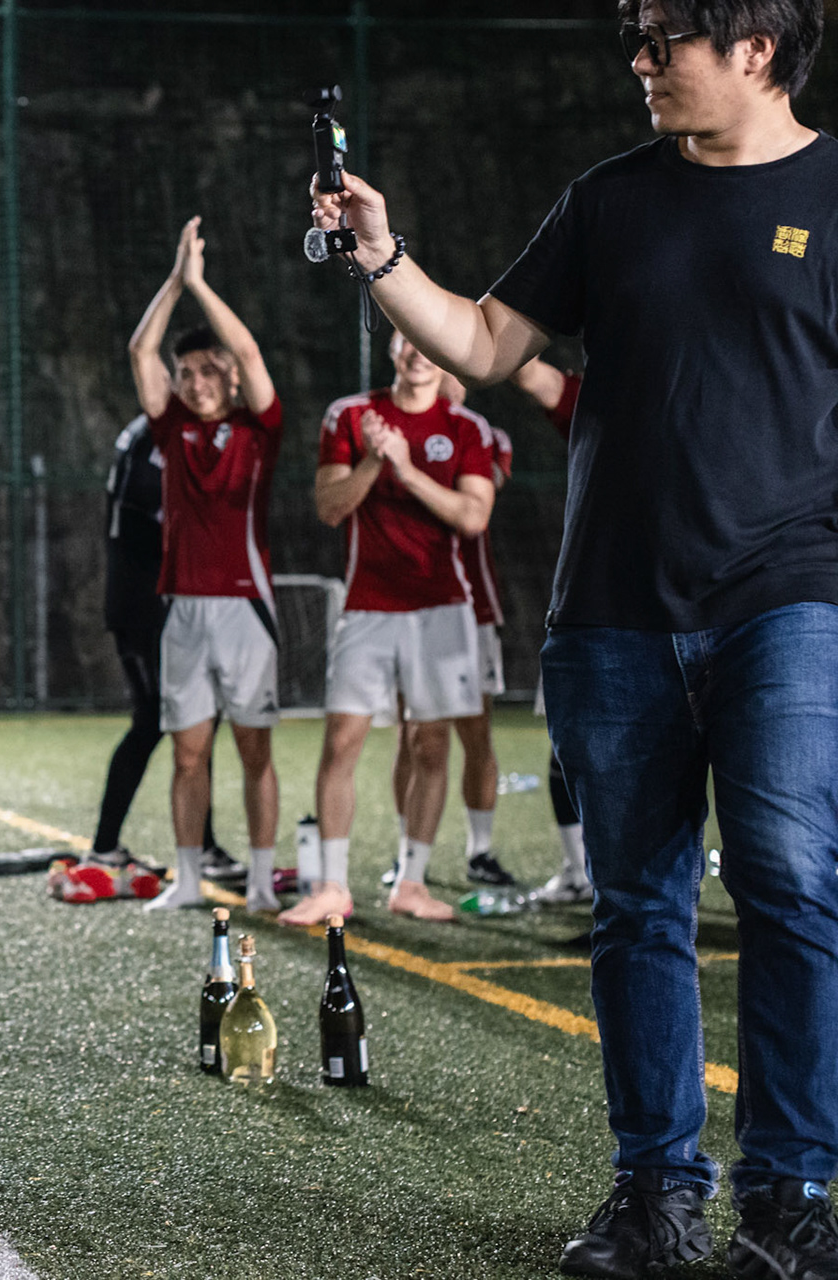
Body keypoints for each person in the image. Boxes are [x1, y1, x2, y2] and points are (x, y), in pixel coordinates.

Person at [311, 1, 838, 1272]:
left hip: (791, 594)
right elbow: (489, 342)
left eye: (667, 40)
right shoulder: (607, 198)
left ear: (756, 47)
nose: (641, 62)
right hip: (610, 610)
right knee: (636, 906)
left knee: (789, 873)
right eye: (638, 39)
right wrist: (383, 256)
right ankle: (656, 1195)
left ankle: (791, 1198)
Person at [279, 333, 495, 928]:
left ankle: (412, 882)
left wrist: (406, 467)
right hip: (367, 607)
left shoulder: (467, 428)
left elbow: (473, 516)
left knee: (430, 744)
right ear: (394, 348)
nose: (421, 352)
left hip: (441, 607)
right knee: (342, 742)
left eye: (432, 343)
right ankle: (331, 887)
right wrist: (376, 460)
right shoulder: (350, 416)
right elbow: (329, 506)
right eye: (409, 341)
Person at [123, 215, 281, 913]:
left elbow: (245, 348)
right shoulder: (173, 427)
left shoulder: (260, 428)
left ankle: (260, 882)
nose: (195, 380)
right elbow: (141, 349)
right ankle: (187, 882)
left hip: (246, 610)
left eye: (208, 370)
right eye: (185, 373)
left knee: (253, 752)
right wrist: (174, 280)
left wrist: (202, 286)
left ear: (233, 380)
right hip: (182, 609)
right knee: (188, 753)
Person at [382, 378, 518, 891]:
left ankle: (480, 851)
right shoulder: (385, 434)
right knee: (412, 736)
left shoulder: (482, 435)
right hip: (403, 604)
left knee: (475, 730)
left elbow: (481, 497)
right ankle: (407, 854)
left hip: (471, 607)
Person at [87, 413, 223, 876]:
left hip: (172, 605)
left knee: (200, 723)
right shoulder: (153, 436)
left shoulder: (171, 434)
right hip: (144, 607)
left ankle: (203, 846)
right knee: (151, 721)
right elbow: (134, 522)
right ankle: (105, 846)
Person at [509, 358, 592, 906]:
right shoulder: (601, 399)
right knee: (567, 747)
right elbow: (528, 372)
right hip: (600, 604)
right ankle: (579, 870)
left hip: (712, 604)